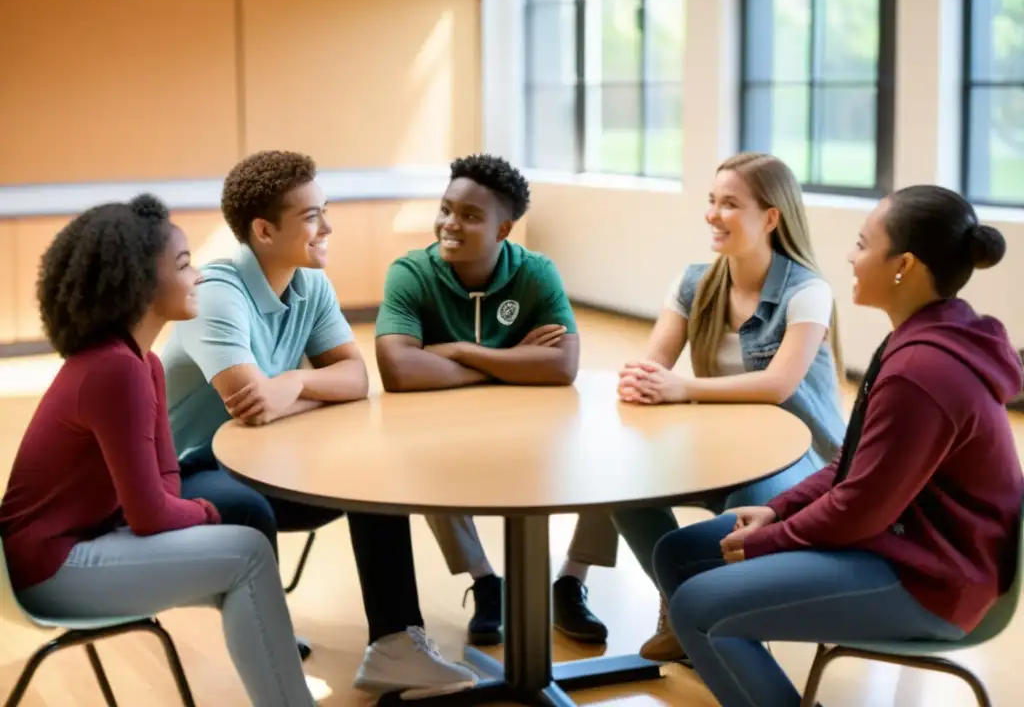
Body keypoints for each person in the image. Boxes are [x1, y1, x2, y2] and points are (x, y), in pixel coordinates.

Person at [652, 184, 1023, 707]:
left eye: (863, 243)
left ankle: (733, 649)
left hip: (933, 579)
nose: (850, 256)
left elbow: (859, 510)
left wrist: (768, 539)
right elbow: (855, 463)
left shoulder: (923, 371)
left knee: (694, 604)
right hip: (905, 540)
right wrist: (778, 510)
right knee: (681, 554)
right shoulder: (926, 335)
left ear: (905, 265)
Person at [161, 151, 476, 698]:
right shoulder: (216, 293)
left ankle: (396, 645)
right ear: (263, 230)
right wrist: (290, 393)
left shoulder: (309, 282)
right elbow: (248, 405)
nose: (327, 227)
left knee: (372, 471)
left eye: (324, 211)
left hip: (263, 458)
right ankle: (271, 650)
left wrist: (293, 385)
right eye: (312, 217)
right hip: (186, 475)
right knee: (249, 506)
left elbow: (355, 379)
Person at [0, 195, 318, 707]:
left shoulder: (140, 363)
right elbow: (150, 513)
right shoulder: (114, 369)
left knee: (242, 565)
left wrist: (187, 509)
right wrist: (209, 511)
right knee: (250, 553)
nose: (199, 278)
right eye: (185, 264)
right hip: (48, 571)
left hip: (79, 547)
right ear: (140, 282)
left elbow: (164, 484)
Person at [614, 152, 847, 662]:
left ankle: (713, 619)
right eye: (711, 202)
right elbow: (656, 363)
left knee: (745, 502)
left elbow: (778, 384)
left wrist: (683, 388)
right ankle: (684, 609)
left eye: (729, 204)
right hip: (720, 446)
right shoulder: (694, 282)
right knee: (622, 488)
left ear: (770, 217)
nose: (712, 215)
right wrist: (642, 377)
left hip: (800, 458)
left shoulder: (808, 290)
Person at [374, 153, 615, 645]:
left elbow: (563, 366)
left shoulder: (535, 272)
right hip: (445, 431)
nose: (450, 224)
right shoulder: (410, 273)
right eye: (446, 209)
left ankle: (571, 582)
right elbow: (398, 370)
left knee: (611, 456)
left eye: (470, 216)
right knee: (420, 458)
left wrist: (460, 351)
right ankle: (486, 581)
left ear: (504, 230)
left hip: (535, 428)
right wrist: (506, 362)